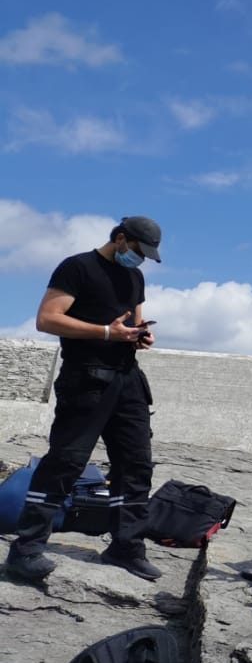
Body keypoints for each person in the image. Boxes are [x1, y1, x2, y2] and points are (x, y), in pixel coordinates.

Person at [6, 216, 165, 583]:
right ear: (121, 239)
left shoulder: (135, 277)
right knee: (66, 461)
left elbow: (133, 322)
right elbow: (47, 319)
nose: (140, 260)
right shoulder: (78, 267)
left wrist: (140, 336)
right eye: (139, 252)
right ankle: (26, 549)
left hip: (128, 381)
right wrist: (107, 333)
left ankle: (126, 546)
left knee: (136, 463)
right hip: (85, 379)